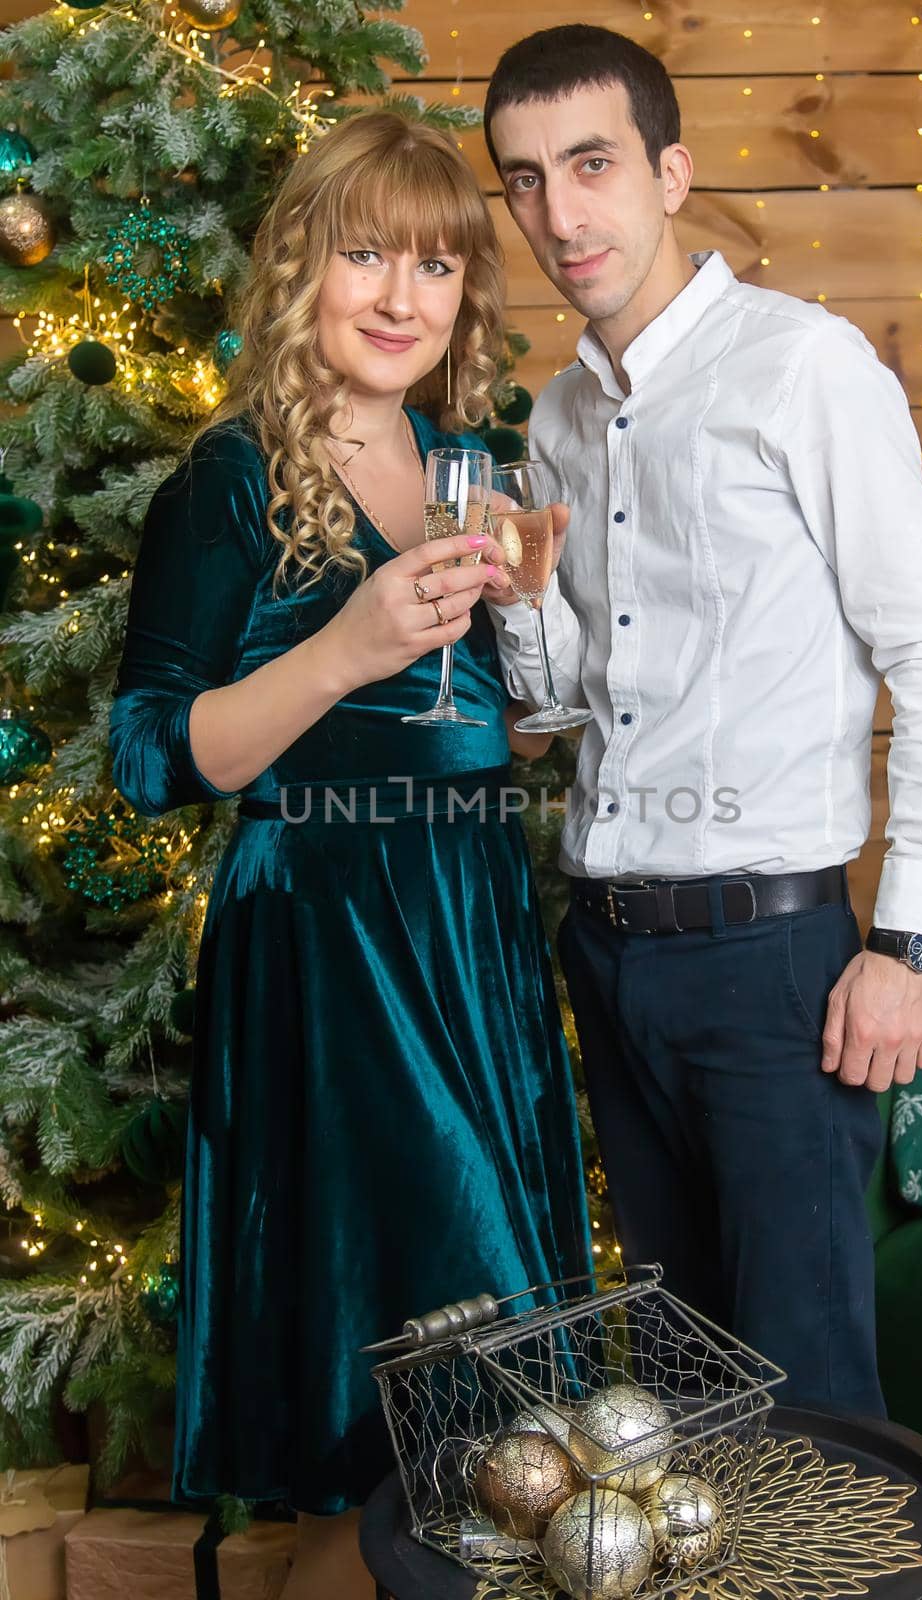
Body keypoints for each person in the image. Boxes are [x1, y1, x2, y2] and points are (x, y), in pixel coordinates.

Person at [108, 110, 591, 1596]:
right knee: (398, 1385)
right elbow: (149, 759)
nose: (399, 297)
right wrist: (342, 644)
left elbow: (478, 730)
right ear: (298, 267)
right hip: (328, 939)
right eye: (364, 254)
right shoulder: (230, 481)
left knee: (505, 1404)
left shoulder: (466, 461)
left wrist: (521, 658)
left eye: (435, 266)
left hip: (468, 919)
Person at [482, 25, 922, 1417]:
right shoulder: (557, 418)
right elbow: (558, 708)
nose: (559, 212)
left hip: (776, 971)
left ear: (669, 172)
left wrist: (902, 945)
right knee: (683, 1402)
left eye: (590, 165)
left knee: (813, 1409)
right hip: (606, 952)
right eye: (523, 180)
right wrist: (519, 600)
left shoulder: (804, 369)